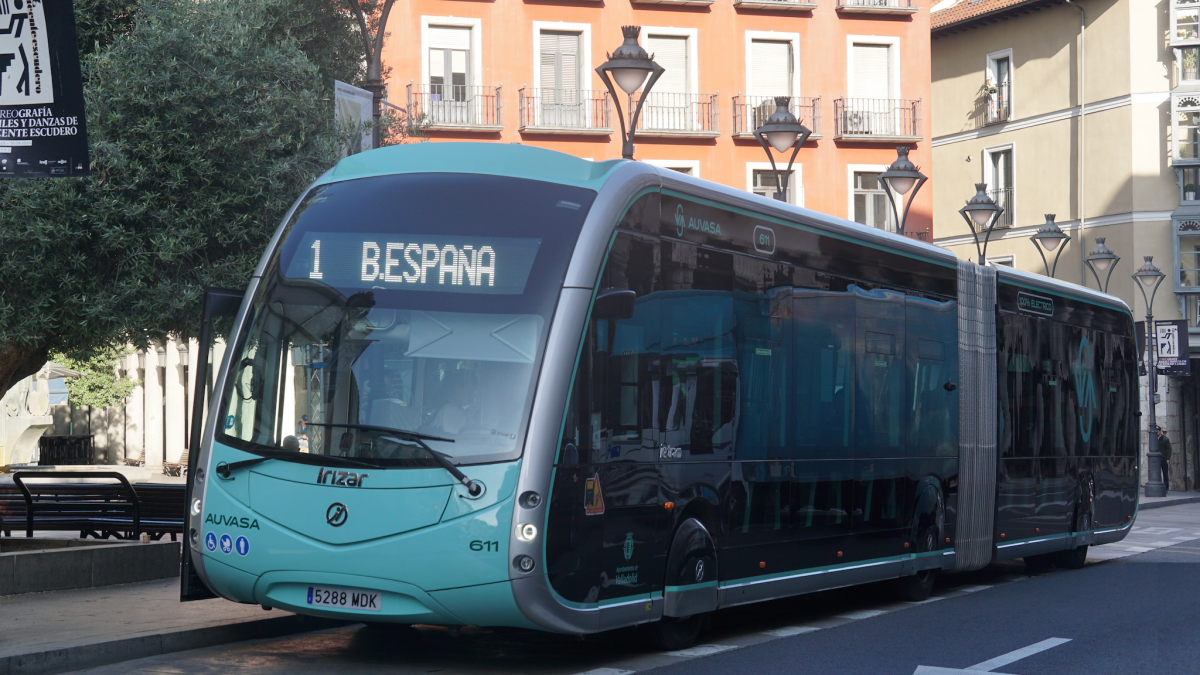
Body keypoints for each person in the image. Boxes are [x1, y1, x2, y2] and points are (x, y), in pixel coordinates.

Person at [1157, 425, 1172, 492]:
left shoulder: (1165, 439)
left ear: (1160, 431)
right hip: (1157, 459)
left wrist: (1168, 458)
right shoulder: (1154, 439)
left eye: (1158, 431)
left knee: (1165, 473)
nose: (1157, 432)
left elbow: (1169, 449)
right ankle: (1159, 486)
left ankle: (1166, 487)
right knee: (1157, 473)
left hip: (1164, 458)